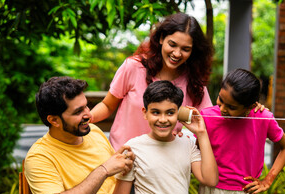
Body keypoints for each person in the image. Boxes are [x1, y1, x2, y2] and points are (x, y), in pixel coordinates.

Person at [73, 80, 219, 194]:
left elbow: (210, 179)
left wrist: (202, 133)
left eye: (170, 113)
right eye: (156, 112)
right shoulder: (133, 148)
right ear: (145, 112)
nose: (163, 119)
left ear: (179, 113)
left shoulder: (187, 144)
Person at [24, 76, 135, 194]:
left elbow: (117, 184)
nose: (88, 115)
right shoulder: (40, 156)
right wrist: (104, 170)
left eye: (86, 107)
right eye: (78, 111)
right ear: (54, 120)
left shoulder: (94, 132)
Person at [90, 12, 214, 150]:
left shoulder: (194, 82)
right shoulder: (134, 67)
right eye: (172, 44)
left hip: (162, 163)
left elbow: (209, 124)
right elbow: (107, 106)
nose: (177, 53)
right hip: (122, 157)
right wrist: (87, 118)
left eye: (185, 49)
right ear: (161, 38)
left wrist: (186, 139)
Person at [197, 69, 285, 194]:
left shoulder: (262, 117)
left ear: (250, 105)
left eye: (232, 107)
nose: (223, 109)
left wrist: (268, 180)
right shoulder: (206, 117)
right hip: (211, 193)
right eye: (221, 100)